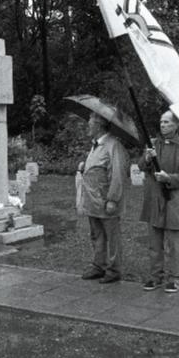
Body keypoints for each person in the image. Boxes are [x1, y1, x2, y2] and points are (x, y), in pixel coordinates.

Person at [138, 110, 179, 293]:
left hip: (172, 199)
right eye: (161, 122)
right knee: (154, 242)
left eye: (167, 122)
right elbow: (141, 167)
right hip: (154, 198)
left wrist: (168, 178)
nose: (163, 125)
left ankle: (175, 278)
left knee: (173, 243)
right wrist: (147, 158)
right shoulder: (153, 144)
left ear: (176, 125)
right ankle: (156, 276)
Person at [77, 112, 129, 284]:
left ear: (99, 125)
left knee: (112, 236)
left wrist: (113, 199)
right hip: (93, 202)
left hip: (106, 202)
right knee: (96, 235)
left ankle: (114, 270)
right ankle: (99, 265)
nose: (87, 126)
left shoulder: (113, 146)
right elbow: (97, 168)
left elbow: (118, 174)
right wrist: (85, 167)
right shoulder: (96, 145)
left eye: (90, 123)